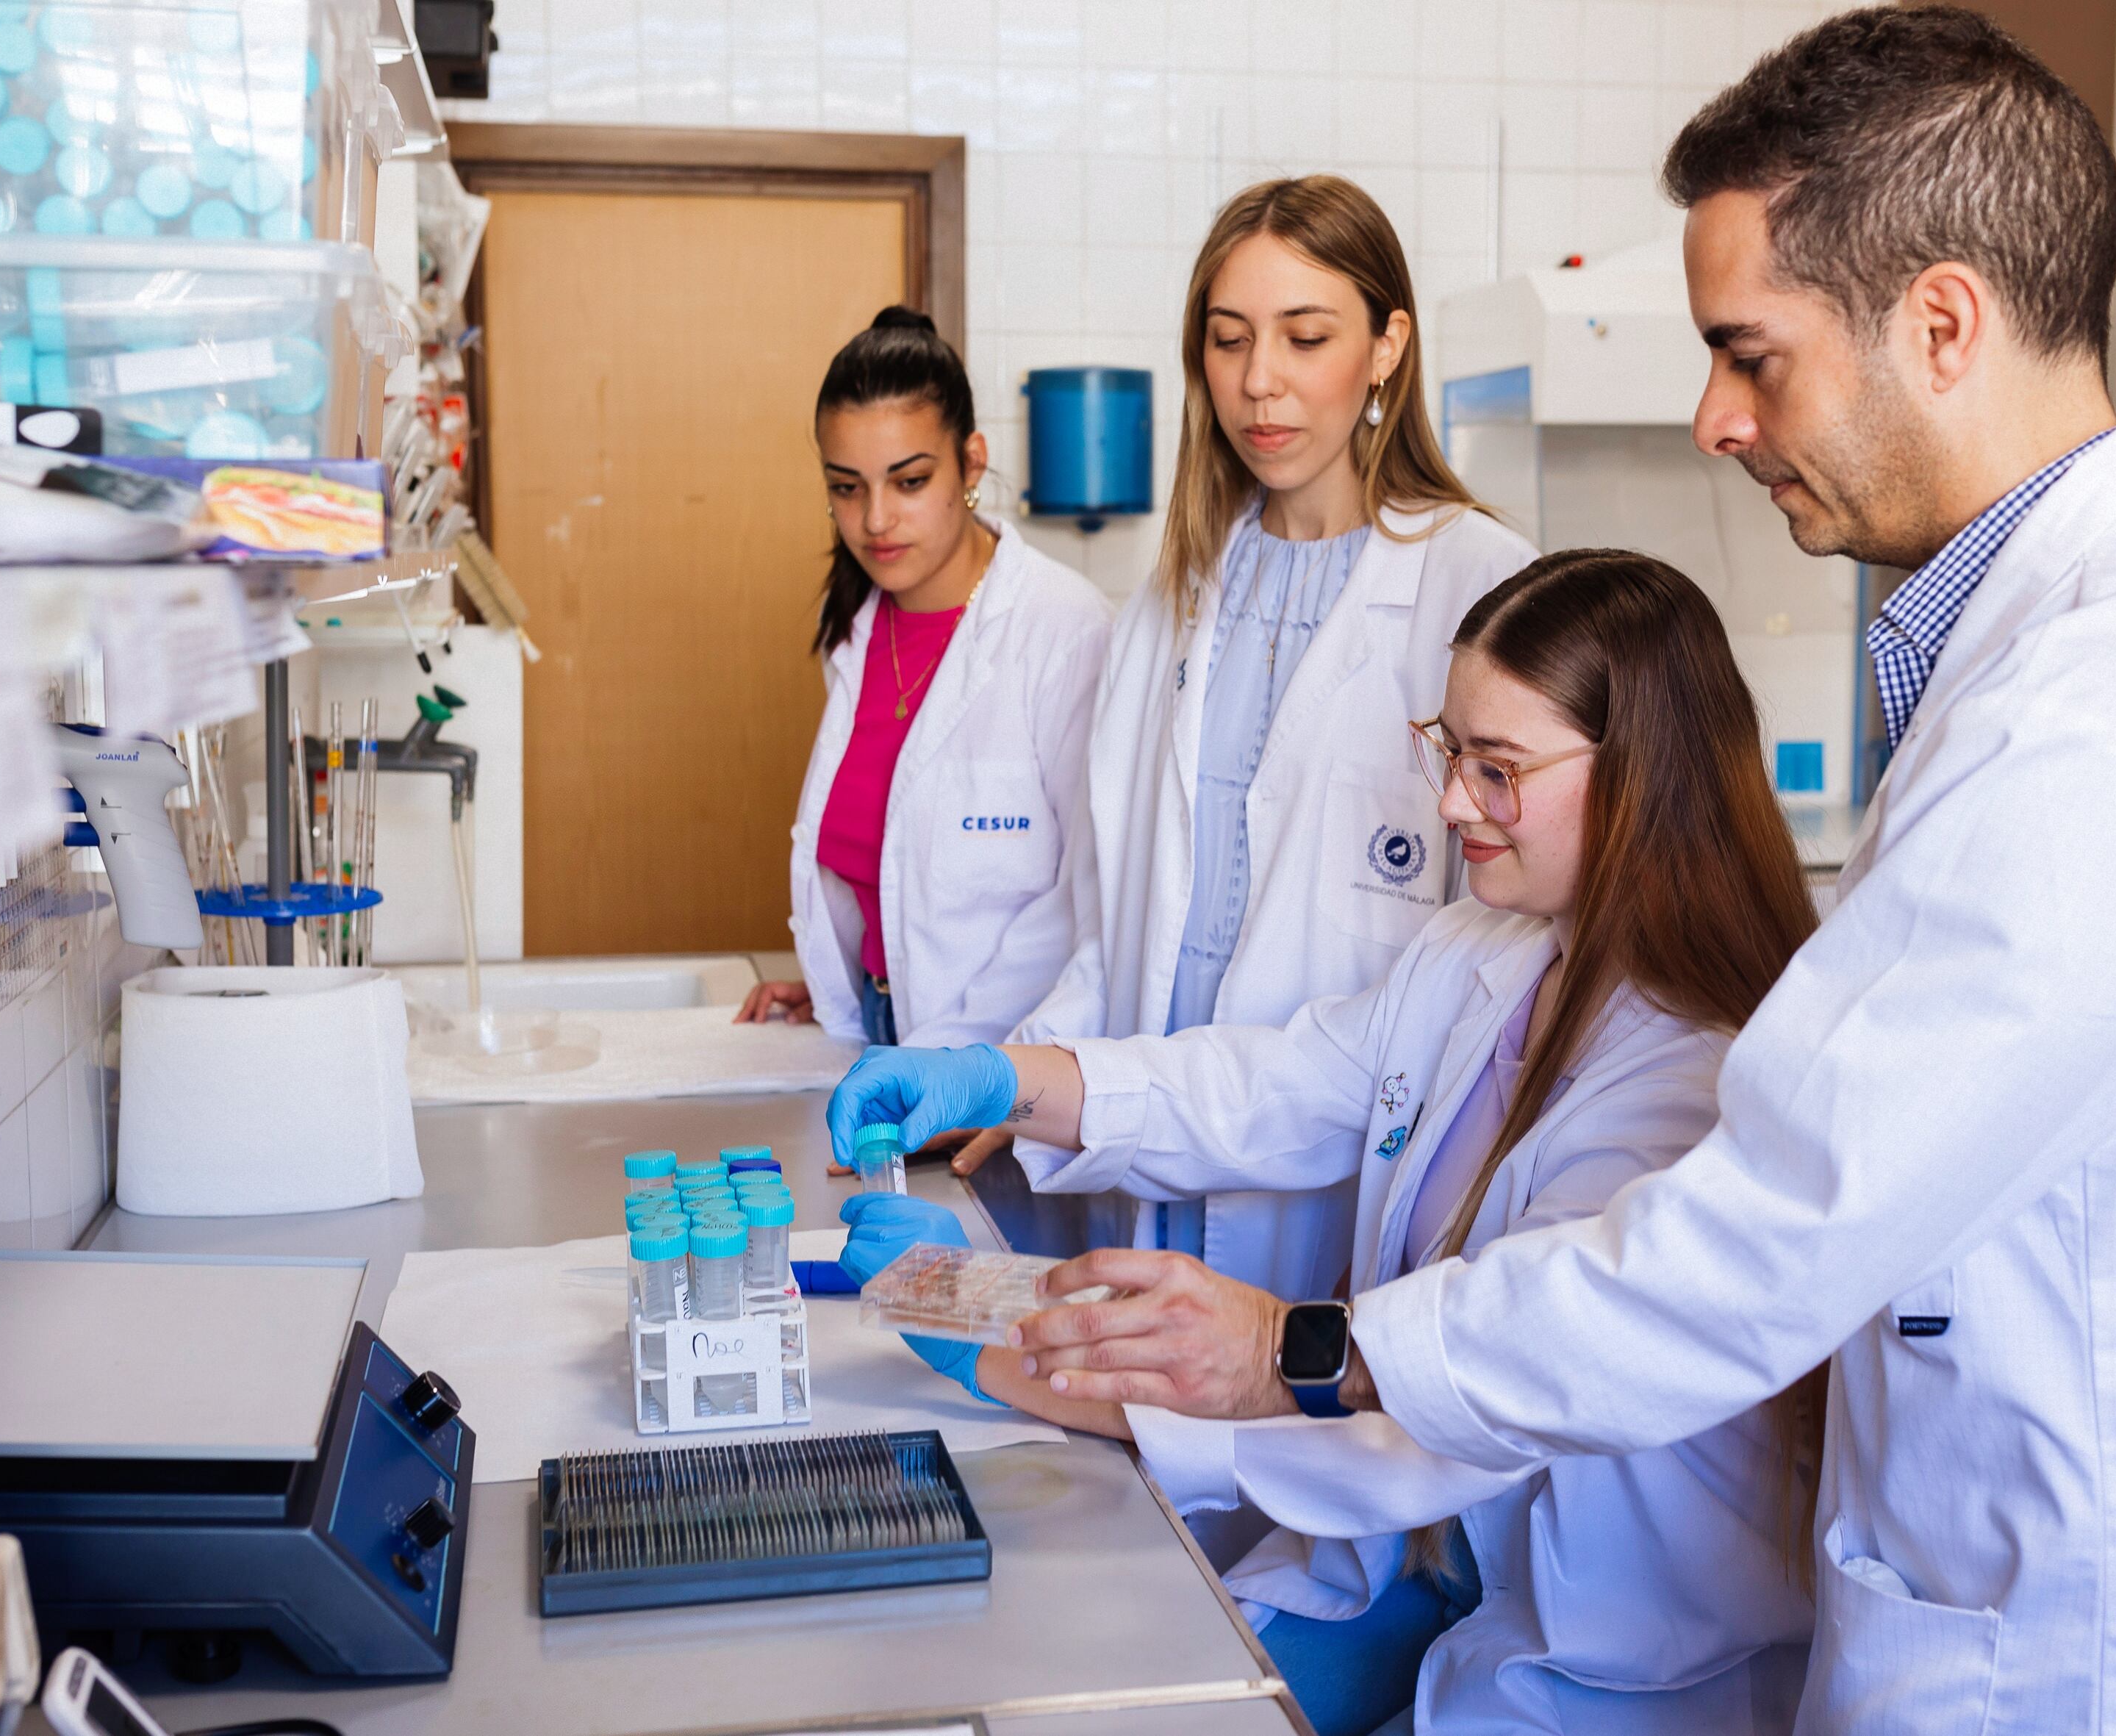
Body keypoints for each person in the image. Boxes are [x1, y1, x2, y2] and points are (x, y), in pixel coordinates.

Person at [954, 12, 2116, 1732]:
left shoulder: (2113, 701)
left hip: (2101, 1652)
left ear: (1941, 322)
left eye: (1752, 355)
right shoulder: (2079, 648)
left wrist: (1297, 1350)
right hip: (2023, 1579)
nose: (1713, 418)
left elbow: (1759, 1237)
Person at [833, 551, 1822, 1735]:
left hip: (1605, 1667)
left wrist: (1021, 1353)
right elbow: (1272, 1080)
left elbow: (1454, 1418)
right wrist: (1006, 1075)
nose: (1453, 802)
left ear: (1644, 778)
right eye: (1448, 750)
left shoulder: (1689, 1082)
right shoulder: (1484, 954)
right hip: (1427, 1582)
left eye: (1496, 768)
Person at [948, 175, 1536, 1302]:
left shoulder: (1481, 589)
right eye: (1226, 341)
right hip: (1148, 1164)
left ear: (1385, 347)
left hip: (1342, 1187)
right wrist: (1011, 1077)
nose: (1257, 380)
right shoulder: (1170, 599)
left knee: (1303, 1443)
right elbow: (1114, 924)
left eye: (1303, 336)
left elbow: (1495, 965)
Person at [734, 306, 1110, 1048]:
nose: (876, 520)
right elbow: (893, 865)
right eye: (846, 487)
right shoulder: (856, 630)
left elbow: (1090, 905)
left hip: (1012, 1065)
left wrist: (974, 1076)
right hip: (879, 1031)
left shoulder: (1067, 630)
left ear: (971, 463)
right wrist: (844, 982)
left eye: (909, 481)